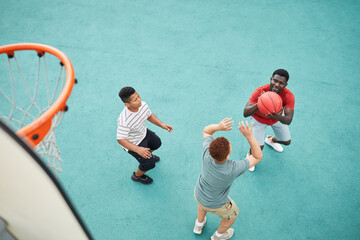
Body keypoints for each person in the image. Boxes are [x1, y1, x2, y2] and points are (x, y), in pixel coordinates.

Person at [193, 118, 262, 240]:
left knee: (202, 205)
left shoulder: (207, 154)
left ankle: (199, 225)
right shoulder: (233, 168)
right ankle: (218, 236)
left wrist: (219, 126)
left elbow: (207, 131)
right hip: (216, 204)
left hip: (199, 193)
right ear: (228, 153)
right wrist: (250, 136)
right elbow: (257, 156)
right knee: (232, 215)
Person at [117, 87, 173, 184]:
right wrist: (138, 149)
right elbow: (121, 139)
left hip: (144, 133)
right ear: (127, 104)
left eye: (138, 96)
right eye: (135, 100)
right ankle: (137, 176)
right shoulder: (124, 120)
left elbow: (149, 115)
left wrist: (161, 124)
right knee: (149, 164)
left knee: (157, 143)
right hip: (134, 143)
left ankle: (148, 155)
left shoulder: (143, 105)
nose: (139, 100)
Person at [243, 69, 295, 171]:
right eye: (275, 81)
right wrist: (260, 103)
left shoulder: (288, 96)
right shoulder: (260, 91)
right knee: (258, 148)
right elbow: (245, 113)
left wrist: (278, 117)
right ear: (271, 79)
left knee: (286, 141)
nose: (276, 85)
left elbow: (288, 120)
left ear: (285, 85)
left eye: (281, 83)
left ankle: (271, 140)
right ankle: (250, 155)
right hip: (259, 119)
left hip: (276, 119)